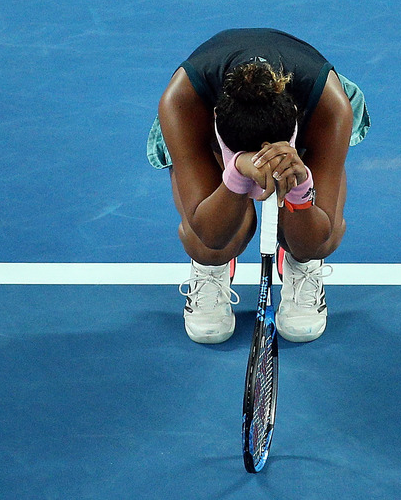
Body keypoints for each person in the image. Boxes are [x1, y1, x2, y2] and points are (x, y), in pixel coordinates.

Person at [147, 28, 370, 344]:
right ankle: (211, 271)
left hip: (310, 110)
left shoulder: (329, 107)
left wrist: (300, 187)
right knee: (209, 246)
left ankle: (298, 265)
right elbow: (210, 233)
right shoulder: (181, 104)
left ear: (295, 118)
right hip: (204, 115)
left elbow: (316, 236)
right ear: (215, 118)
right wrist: (237, 173)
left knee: (315, 243)